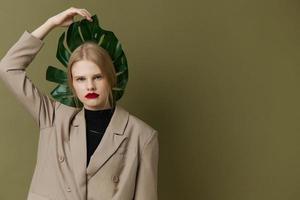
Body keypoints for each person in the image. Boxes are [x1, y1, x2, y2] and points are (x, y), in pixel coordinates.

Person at [0, 7, 159, 200]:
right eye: (81, 79)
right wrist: (51, 23)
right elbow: (8, 68)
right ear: (72, 84)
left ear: (111, 78)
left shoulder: (142, 135)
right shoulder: (53, 117)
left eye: (97, 77)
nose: (90, 86)